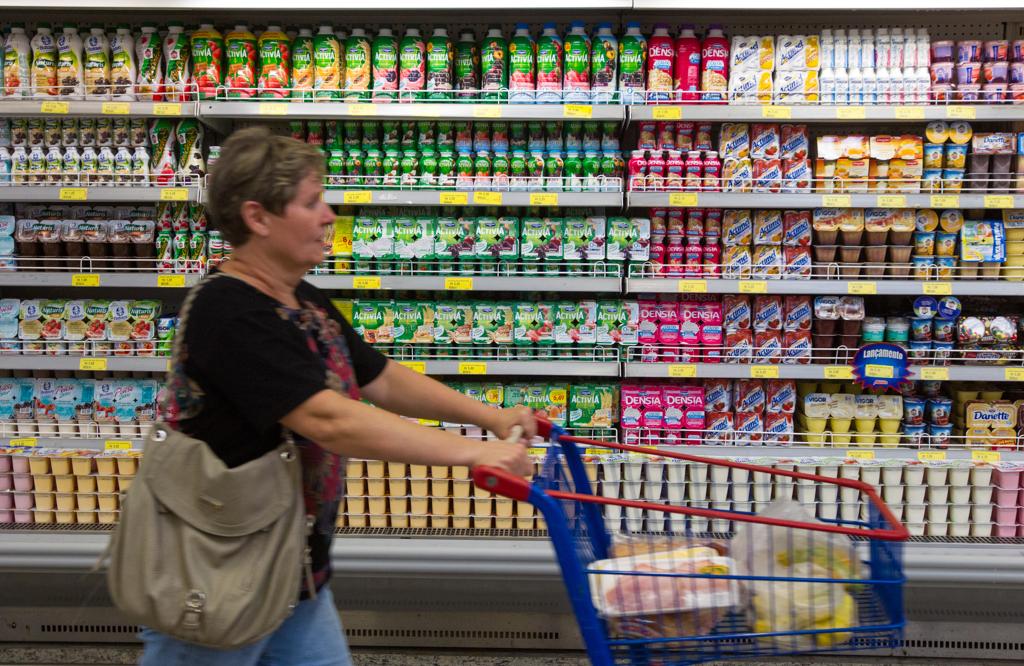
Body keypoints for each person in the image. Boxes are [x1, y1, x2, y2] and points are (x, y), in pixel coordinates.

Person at [139, 125, 535, 665]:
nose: (329, 215)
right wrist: (473, 452)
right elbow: (330, 420)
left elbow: (381, 378)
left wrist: (491, 416)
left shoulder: (299, 299)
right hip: (216, 570)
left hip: (294, 566)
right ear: (258, 217)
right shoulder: (228, 311)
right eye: (311, 202)